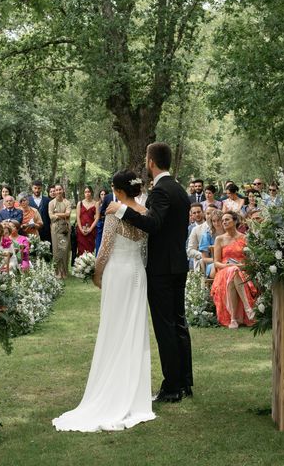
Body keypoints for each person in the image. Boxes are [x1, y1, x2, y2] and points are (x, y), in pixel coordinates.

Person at [53, 170, 155, 431]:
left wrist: (96, 273)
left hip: (117, 272)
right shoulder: (144, 212)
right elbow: (143, 249)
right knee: (133, 327)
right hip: (136, 272)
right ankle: (133, 391)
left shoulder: (113, 211)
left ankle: (112, 390)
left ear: (118, 190)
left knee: (113, 326)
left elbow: (106, 247)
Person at [107, 142, 192, 403]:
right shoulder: (179, 189)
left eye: (146, 158)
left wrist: (122, 210)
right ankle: (185, 382)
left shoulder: (160, 191)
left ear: (151, 162)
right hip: (178, 264)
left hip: (162, 270)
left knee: (165, 326)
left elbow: (154, 224)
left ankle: (172, 387)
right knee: (179, 323)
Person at [210, 211, 257, 329]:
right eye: (223, 220)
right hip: (223, 271)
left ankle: (233, 319)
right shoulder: (219, 239)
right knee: (232, 270)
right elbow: (216, 262)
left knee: (235, 271)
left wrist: (240, 266)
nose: (224, 222)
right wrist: (227, 266)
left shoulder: (245, 238)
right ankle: (248, 308)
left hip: (242, 271)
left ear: (235, 221)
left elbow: (250, 261)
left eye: (227, 219)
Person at [49, 185, 71, 278]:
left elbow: (68, 214)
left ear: (63, 190)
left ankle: (64, 272)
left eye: (60, 189)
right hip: (55, 229)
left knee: (64, 249)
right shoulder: (51, 203)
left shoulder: (67, 202)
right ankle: (57, 272)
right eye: (56, 190)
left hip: (64, 228)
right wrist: (63, 215)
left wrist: (56, 214)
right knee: (56, 250)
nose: (58, 191)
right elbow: (51, 216)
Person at [198, 209, 224, 279]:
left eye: (218, 220)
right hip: (212, 264)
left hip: (228, 262)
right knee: (221, 269)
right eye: (213, 221)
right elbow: (204, 259)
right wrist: (220, 260)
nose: (216, 223)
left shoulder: (229, 233)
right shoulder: (207, 235)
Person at [76, 186, 99, 255]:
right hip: (81, 231)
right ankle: (80, 265)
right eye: (85, 192)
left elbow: (97, 217)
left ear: (91, 192)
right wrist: (81, 229)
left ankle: (90, 265)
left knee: (90, 250)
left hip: (91, 231)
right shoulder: (80, 203)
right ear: (84, 193)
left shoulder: (96, 203)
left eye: (88, 192)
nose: (87, 193)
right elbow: (77, 217)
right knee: (81, 251)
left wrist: (90, 229)